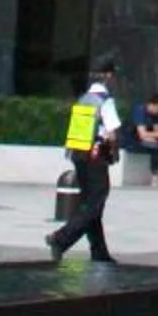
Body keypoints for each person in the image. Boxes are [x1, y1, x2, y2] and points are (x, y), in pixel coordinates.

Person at [48, 60, 123, 262]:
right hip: (96, 156)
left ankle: (99, 252)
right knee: (95, 202)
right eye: (113, 75)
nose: (115, 79)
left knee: (92, 204)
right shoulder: (105, 100)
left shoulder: (84, 98)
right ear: (108, 76)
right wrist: (115, 153)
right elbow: (112, 133)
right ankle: (61, 238)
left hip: (79, 155)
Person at [125, 91, 158, 176]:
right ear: (154, 105)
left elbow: (156, 132)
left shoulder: (154, 115)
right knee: (154, 145)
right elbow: (142, 134)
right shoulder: (140, 110)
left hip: (143, 139)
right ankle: (155, 177)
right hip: (131, 140)